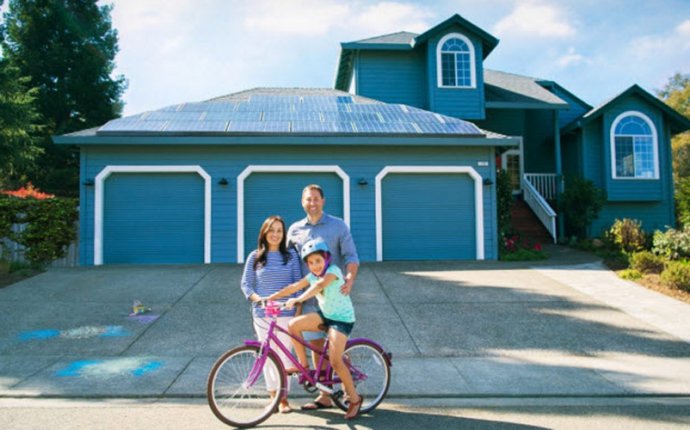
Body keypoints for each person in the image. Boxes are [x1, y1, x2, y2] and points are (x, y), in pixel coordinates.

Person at [267, 239, 364, 420]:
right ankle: (304, 367)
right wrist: (271, 297)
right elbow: (293, 287)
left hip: (341, 320)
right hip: (325, 315)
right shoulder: (312, 276)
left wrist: (298, 300)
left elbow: (318, 287)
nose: (315, 266)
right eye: (310, 263)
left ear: (326, 259)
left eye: (318, 261)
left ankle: (355, 399)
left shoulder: (333, 272)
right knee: (293, 325)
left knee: (335, 362)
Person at [287, 183, 360, 410]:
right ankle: (324, 394)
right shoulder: (295, 230)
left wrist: (349, 279)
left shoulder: (338, 226)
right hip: (308, 296)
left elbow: (351, 257)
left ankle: (343, 390)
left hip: (331, 296)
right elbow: (288, 262)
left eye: (316, 198)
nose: (313, 203)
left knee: (332, 353)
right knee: (315, 346)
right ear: (302, 202)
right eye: (308, 199)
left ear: (323, 201)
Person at [240, 215, 302, 414]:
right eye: (271, 230)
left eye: (279, 231)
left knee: (284, 355)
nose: (275, 234)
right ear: (264, 233)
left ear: (283, 234)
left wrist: (297, 310)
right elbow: (246, 285)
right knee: (267, 356)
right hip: (262, 314)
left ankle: (283, 399)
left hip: (286, 314)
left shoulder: (291, 256)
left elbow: (298, 285)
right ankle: (272, 396)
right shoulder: (255, 257)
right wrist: (258, 299)